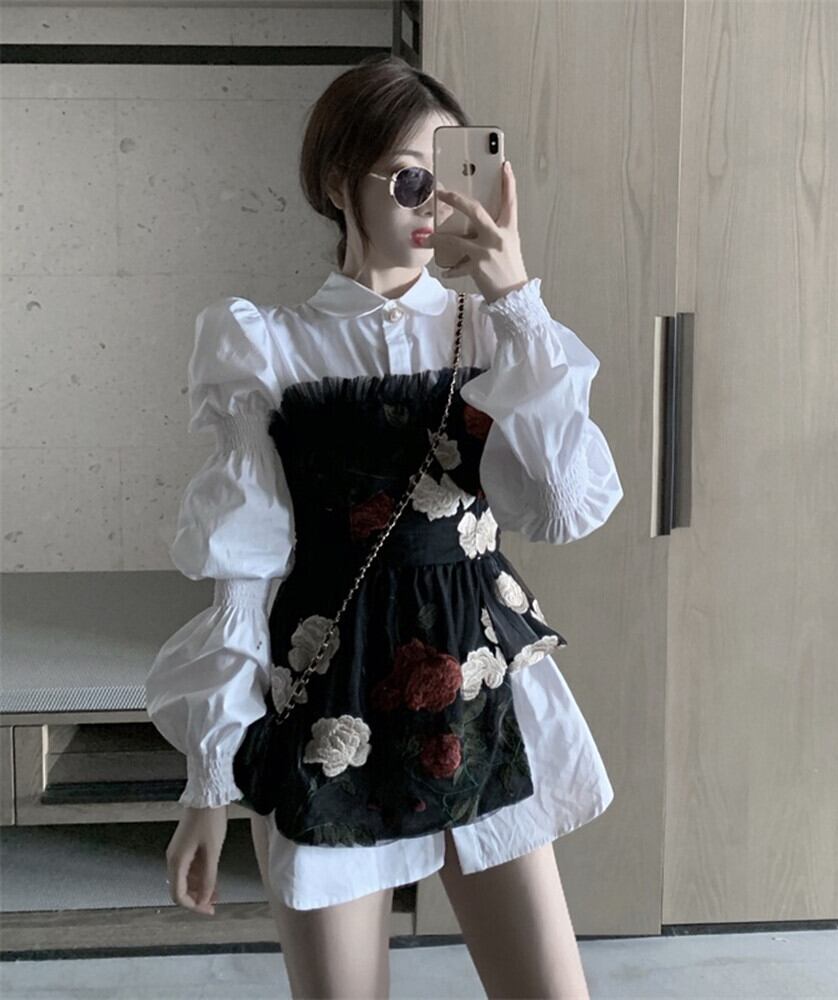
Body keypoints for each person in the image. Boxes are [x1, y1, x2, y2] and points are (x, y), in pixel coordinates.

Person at [145, 53, 624, 999]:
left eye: (450, 178)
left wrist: (517, 298)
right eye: (409, 181)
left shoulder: (497, 330)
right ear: (339, 184)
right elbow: (246, 572)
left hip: (478, 687)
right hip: (328, 700)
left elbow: (562, 507)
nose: (434, 205)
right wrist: (208, 786)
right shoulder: (267, 347)